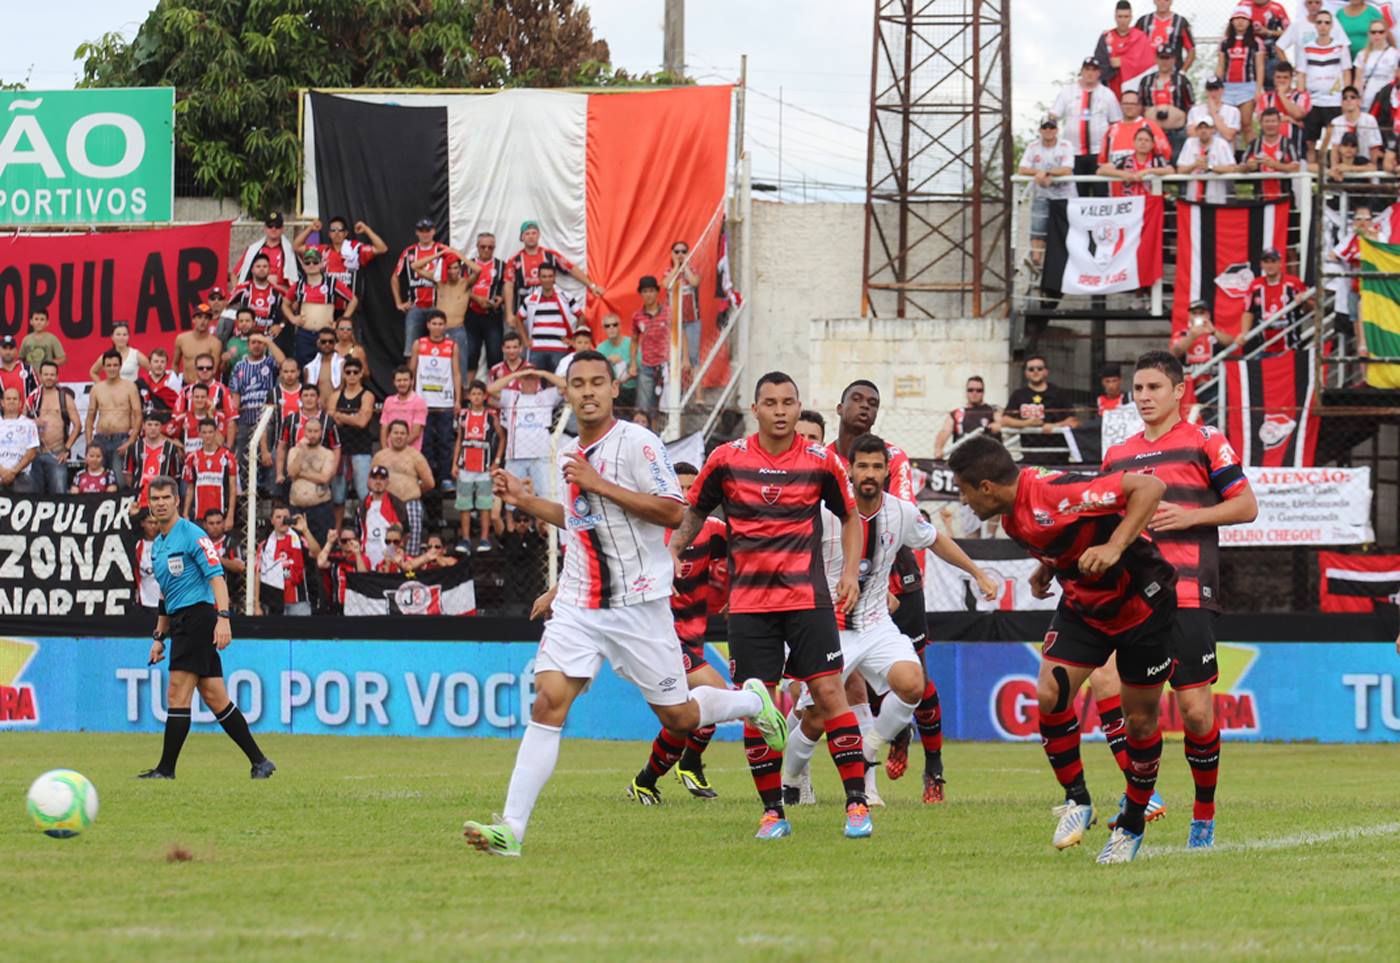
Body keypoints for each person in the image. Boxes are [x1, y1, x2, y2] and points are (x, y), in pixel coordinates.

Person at [463, 350, 785, 858]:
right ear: (566, 394)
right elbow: (583, 522)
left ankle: (750, 702)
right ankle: (511, 830)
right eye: (578, 384)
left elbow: (673, 512)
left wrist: (599, 485)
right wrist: (526, 503)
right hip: (579, 605)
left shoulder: (638, 444)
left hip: (638, 606)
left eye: (598, 382)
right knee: (548, 702)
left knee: (679, 718)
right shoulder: (571, 451)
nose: (588, 391)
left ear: (615, 390)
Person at [948, 436, 1174, 864]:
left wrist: (1114, 547)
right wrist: (1046, 566)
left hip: (1142, 604)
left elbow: (1150, 488)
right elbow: (1064, 535)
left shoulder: (1053, 494)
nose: (964, 502)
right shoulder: (1014, 514)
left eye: (963, 491)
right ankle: (1078, 800)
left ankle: (1132, 824)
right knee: (1050, 694)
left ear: (986, 487)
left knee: (1140, 723)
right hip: (1085, 607)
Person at [672, 371, 872, 841]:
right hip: (748, 606)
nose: (780, 411)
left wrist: (848, 573)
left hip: (808, 599)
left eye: (788, 402)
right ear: (756, 409)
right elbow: (696, 510)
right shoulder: (726, 459)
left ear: (799, 407)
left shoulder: (822, 461)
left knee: (829, 695)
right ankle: (772, 812)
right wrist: (674, 551)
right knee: (757, 707)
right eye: (771, 402)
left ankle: (858, 804)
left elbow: (850, 517)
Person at [782, 434, 996, 808]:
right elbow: (789, 555)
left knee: (913, 684)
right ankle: (790, 780)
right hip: (830, 629)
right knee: (815, 718)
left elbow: (937, 541)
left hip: (876, 623)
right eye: (862, 465)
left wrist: (977, 573)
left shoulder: (900, 512)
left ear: (886, 471)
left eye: (877, 466)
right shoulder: (824, 512)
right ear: (849, 469)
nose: (869, 473)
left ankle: (870, 746)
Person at [1098, 351, 1258, 850]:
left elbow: (1246, 505)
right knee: (1139, 717)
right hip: (1133, 601)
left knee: (1195, 712)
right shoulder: (1117, 454)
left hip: (1188, 592)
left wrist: (1188, 517)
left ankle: (1203, 818)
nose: (1144, 397)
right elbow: (1099, 520)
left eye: (1153, 388)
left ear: (1179, 390)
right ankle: (1136, 813)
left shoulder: (1205, 440)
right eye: (1138, 390)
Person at [138, 476, 274, 780]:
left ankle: (165, 769)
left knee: (177, 694)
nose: (160, 503)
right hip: (180, 621)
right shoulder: (158, 546)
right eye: (155, 498)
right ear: (149, 503)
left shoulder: (192, 535)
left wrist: (223, 617)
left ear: (176, 501)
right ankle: (260, 762)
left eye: (165, 498)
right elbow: (165, 595)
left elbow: (216, 577)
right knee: (215, 698)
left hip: (198, 619)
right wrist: (159, 637)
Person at [487, 367, 564, 501]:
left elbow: (565, 385)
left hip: (541, 457)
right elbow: (491, 389)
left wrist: (542, 373)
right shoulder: (512, 397)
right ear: (520, 381)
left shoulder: (546, 396)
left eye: (533, 379)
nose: (530, 382)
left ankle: (542, 523)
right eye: (526, 379)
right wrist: (517, 374)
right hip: (516, 457)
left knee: (545, 498)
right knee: (513, 499)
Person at [1051, 58, 1124, 196]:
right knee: (1076, 194)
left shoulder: (1107, 94)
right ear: (1082, 71)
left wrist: (1113, 150)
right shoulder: (1067, 91)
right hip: (1073, 153)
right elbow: (1054, 115)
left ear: (1099, 73)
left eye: (1094, 70)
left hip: (1099, 154)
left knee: (1100, 193)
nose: (1090, 73)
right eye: (1087, 69)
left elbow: (1116, 123)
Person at [409, 309, 461, 500]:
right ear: (428, 325)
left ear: (445, 326)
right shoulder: (419, 344)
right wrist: (412, 397)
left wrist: (457, 399)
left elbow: (456, 373)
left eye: (441, 324)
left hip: (445, 402)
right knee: (426, 442)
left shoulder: (451, 346)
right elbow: (412, 371)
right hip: (424, 403)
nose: (437, 327)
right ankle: (427, 476)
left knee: (446, 442)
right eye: (434, 323)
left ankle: (446, 478)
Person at [502, 219, 603, 315]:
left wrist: (592, 286)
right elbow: (508, 286)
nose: (531, 236)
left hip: (549, 306)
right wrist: (509, 313)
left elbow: (571, 269)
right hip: (524, 309)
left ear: (538, 235)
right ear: (522, 237)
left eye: (534, 233)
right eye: (527, 234)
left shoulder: (550, 255)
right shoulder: (514, 260)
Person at [1018, 117, 1077, 273]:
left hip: (1065, 196)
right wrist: (1040, 173)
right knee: (1038, 228)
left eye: (1051, 127)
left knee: (1066, 232)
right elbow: (1022, 169)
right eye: (1045, 127)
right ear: (1040, 130)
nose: (1048, 130)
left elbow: (1067, 169)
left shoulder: (1066, 145)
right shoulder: (1033, 147)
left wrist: (1047, 172)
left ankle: (1065, 264)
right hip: (1042, 195)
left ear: (1057, 130)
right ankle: (1037, 264)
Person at [412, 247, 482, 378]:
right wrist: (438, 255)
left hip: (457, 329)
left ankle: (460, 396)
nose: (452, 271)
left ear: (460, 269)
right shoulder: (439, 281)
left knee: (460, 367)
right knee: (437, 366)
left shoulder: (465, 284)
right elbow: (415, 266)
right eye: (449, 268)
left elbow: (478, 270)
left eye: (455, 268)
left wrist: (459, 255)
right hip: (438, 330)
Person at [451, 380, 503, 553]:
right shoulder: (463, 416)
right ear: (469, 396)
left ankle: (484, 539)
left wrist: (496, 461)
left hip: (484, 468)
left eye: (479, 394)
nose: (476, 397)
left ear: (485, 396)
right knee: (464, 505)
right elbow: (459, 439)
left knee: (484, 505)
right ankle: (465, 539)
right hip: (465, 466)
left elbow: (502, 438)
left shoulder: (490, 416)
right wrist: (454, 463)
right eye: (473, 394)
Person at [284, 248, 358, 367]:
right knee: (304, 367)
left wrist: (341, 322)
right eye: (307, 262)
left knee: (327, 366)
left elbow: (353, 300)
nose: (311, 265)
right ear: (303, 266)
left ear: (322, 264)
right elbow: (285, 304)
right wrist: (292, 318)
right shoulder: (299, 285)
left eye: (315, 262)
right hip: (305, 334)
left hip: (326, 334)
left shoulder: (332, 283)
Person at [370, 421, 435, 555]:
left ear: (407, 436)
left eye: (402, 433)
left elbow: (429, 482)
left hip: (410, 504)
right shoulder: (380, 456)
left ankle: (409, 571)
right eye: (395, 433)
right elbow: (370, 482)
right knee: (386, 542)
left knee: (412, 542)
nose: (399, 436)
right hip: (387, 504)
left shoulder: (416, 456)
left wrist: (414, 491)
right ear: (389, 435)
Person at [1001, 355, 1080, 461]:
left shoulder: (1059, 393)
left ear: (1046, 371)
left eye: (1039, 368)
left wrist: (1053, 426)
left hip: (1058, 454)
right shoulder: (1018, 395)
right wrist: (1027, 423)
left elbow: (1073, 421)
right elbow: (1005, 420)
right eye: (1031, 369)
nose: (1035, 371)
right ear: (1026, 373)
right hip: (1030, 453)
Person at [1300, 8, 1353, 161]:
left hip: (1334, 101)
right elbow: (1302, 74)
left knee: (1336, 142)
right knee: (1310, 143)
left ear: (1331, 26)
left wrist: (1346, 99)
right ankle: (1311, 183)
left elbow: (1346, 73)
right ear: (1315, 25)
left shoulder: (1340, 47)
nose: (1323, 25)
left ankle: (1333, 180)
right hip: (1313, 103)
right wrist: (1301, 100)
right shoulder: (1306, 47)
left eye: (1326, 22)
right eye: (1320, 22)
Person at [292, 216, 387, 299]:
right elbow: (296, 247)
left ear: (346, 233)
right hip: (328, 303)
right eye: (333, 230)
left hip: (350, 306)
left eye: (340, 229)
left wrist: (366, 229)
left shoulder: (355, 249)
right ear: (329, 234)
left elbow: (382, 248)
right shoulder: (323, 250)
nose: (336, 233)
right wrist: (310, 229)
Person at [274, 384, 341, 500]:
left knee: (321, 503)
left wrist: (332, 471)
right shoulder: (290, 420)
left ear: (318, 398)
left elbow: (336, 447)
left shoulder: (328, 421)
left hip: (319, 470)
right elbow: (281, 446)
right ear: (300, 399)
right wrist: (279, 473)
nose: (309, 398)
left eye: (312, 395)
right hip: (296, 468)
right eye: (305, 395)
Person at [1240, 247, 1313, 352]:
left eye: (1273, 261)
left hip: (1291, 348)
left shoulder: (1294, 283)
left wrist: (1304, 299)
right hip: (1263, 349)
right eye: (1266, 262)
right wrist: (1244, 333)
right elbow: (1248, 311)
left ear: (1280, 263)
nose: (1270, 266)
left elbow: (1312, 309)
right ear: (1261, 264)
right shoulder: (1255, 285)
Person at [633, 275, 683, 419]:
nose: (648, 294)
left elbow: (681, 334)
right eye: (645, 291)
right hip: (646, 365)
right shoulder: (637, 316)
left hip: (666, 366)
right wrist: (632, 364)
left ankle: (666, 435)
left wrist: (684, 359)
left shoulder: (668, 312)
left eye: (651, 290)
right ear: (641, 294)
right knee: (643, 406)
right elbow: (635, 340)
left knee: (668, 406)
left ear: (656, 292)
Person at [228, 332, 281, 466]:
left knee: (266, 459)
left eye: (260, 342)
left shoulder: (270, 362)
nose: (256, 346)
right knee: (243, 460)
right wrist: (235, 420)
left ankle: (265, 487)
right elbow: (236, 394)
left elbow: (284, 362)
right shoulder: (239, 366)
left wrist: (269, 342)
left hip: (267, 420)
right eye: (253, 342)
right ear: (248, 345)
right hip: (245, 420)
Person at [26, 361, 79, 495]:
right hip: (35, 454)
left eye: (52, 374)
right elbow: (21, 423)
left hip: (57, 453)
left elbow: (78, 425)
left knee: (59, 495)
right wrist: (32, 422)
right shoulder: (33, 397)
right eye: (46, 374)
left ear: (57, 376)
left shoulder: (64, 398)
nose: (49, 377)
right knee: (35, 497)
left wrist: (67, 449)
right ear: (40, 376)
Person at [515, 263, 579, 374]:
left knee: (559, 382)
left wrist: (573, 339)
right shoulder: (531, 299)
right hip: (537, 349)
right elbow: (518, 318)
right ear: (539, 278)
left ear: (554, 278)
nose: (547, 279)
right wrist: (525, 340)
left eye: (550, 276)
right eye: (544, 276)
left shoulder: (566, 297)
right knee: (536, 384)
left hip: (559, 348)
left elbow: (581, 316)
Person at [86, 350, 142, 474]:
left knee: (120, 479)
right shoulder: (96, 389)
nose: (112, 369)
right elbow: (90, 418)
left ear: (120, 366)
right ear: (104, 367)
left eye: (115, 365)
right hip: (100, 440)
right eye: (109, 365)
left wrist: (131, 440)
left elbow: (138, 416)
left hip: (121, 439)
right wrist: (89, 443)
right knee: (100, 477)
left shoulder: (130, 387)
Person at [255, 506, 319, 616]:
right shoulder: (264, 546)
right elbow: (257, 574)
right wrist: (256, 605)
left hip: (298, 600)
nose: (282, 520)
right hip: (273, 601)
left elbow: (317, 553)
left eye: (286, 517)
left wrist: (305, 530)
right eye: (278, 517)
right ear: (272, 520)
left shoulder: (299, 540)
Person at [331, 358, 376, 507]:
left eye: (355, 372)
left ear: (361, 373)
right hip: (340, 450)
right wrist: (353, 417)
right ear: (343, 374)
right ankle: (336, 530)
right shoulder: (336, 395)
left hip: (361, 450)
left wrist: (342, 416)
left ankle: (366, 528)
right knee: (337, 498)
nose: (351, 375)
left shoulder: (367, 395)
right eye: (348, 372)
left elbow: (362, 422)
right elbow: (331, 417)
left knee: (364, 495)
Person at [1219, 7, 1269, 141]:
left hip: (1247, 87)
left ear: (1249, 22)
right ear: (1232, 22)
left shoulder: (1256, 42)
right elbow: (1221, 66)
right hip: (1227, 87)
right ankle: (1230, 157)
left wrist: (1258, 89)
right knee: (1228, 124)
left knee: (1246, 123)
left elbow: (1260, 67)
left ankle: (1251, 155)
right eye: (1237, 19)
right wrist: (1217, 87)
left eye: (1243, 19)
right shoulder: (1225, 42)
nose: (1240, 22)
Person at [287, 416, 340, 541]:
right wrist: (301, 452)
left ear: (321, 432)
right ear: (304, 432)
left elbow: (325, 478)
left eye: (316, 431)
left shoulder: (327, 454)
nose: (312, 435)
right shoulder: (294, 451)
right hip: (297, 507)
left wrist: (301, 474)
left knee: (321, 545)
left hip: (320, 508)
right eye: (309, 431)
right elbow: (291, 472)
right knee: (297, 545)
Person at [1140, 44, 1196, 157]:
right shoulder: (1146, 81)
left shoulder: (1182, 81)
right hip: (1152, 133)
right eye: (1162, 58)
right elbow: (1141, 105)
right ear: (1156, 59)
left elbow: (1190, 105)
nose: (1164, 62)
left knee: (1177, 164)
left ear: (1174, 59)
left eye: (1168, 58)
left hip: (1177, 133)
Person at [182, 419, 239, 527]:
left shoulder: (228, 457)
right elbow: (190, 488)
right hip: (199, 516)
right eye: (204, 432)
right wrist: (185, 513)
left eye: (210, 432)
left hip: (220, 516)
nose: (207, 436)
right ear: (199, 433)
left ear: (216, 432)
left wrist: (230, 515)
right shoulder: (192, 458)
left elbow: (233, 488)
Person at [466, 232, 509, 376]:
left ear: (494, 247)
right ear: (477, 247)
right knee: (470, 355)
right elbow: (460, 288)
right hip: (471, 314)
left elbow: (508, 287)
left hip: (493, 315)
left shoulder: (502, 265)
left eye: (490, 247)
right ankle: (468, 395)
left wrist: (501, 299)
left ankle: (494, 395)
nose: (486, 250)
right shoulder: (467, 265)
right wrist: (476, 298)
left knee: (495, 355)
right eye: (483, 247)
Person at [1176, 117, 1243, 202]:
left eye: (1206, 127)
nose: (1203, 131)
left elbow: (1232, 168)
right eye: (1200, 128)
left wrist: (1209, 167)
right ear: (1196, 131)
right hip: (1193, 198)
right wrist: (1194, 165)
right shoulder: (1190, 143)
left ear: (1213, 130)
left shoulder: (1221, 143)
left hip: (1216, 198)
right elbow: (1180, 170)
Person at [934, 376, 1000, 460]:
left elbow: (1001, 422)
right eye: (970, 390)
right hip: (963, 458)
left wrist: (997, 425)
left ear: (983, 392)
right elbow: (944, 432)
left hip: (987, 458)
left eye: (979, 390)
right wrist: (938, 449)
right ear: (966, 392)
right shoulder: (957, 413)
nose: (974, 393)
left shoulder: (993, 410)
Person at [125, 410, 184, 505]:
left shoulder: (171, 448)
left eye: (156, 425)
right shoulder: (134, 447)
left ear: (161, 427)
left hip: (162, 499)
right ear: (143, 426)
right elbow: (128, 475)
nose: (153, 428)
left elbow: (174, 476)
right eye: (149, 424)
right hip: (139, 497)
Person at [663, 240, 703, 376]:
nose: (680, 254)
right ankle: (678, 393)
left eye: (683, 251)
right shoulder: (669, 271)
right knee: (675, 356)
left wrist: (685, 265)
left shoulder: (692, 270)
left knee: (693, 357)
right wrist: (676, 267)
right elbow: (666, 284)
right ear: (672, 254)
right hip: (673, 321)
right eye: (677, 251)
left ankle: (697, 395)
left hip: (692, 320)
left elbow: (694, 282)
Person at [1245, 107, 1305, 199]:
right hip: (1260, 199)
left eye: (1273, 121)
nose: (1270, 125)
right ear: (1261, 124)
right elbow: (1240, 166)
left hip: (1284, 199)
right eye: (1267, 121)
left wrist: (1275, 165)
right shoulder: (1254, 144)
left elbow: (1296, 167)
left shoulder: (1288, 143)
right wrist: (1248, 166)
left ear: (1280, 123)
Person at [1256, 61, 1310, 158]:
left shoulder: (1301, 96)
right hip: (1270, 144)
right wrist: (1288, 119)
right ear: (1273, 78)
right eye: (1278, 77)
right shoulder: (1265, 97)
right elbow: (1263, 119)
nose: (1281, 80)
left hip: (1295, 141)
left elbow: (1298, 115)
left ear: (1291, 79)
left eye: (1285, 77)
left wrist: (1281, 95)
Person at [1100, 126, 1175, 194]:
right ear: (1134, 143)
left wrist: (1148, 171)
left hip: (1151, 204)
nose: (1143, 142)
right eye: (1140, 139)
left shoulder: (1157, 159)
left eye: (1147, 140)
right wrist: (1123, 174)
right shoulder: (1125, 159)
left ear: (1152, 145)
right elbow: (1101, 170)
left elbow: (1171, 170)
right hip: (1130, 203)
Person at [360, 465, 409, 569]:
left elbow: (406, 533)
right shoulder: (363, 505)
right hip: (367, 559)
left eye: (382, 478)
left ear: (387, 482)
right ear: (369, 481)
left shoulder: (397, 504)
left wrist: (392, 556)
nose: (378, 482)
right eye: (374, 478)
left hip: (389, 561)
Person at [233, 211, 298, 288]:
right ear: (265, 228)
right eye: (270, 226)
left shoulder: (289, 251)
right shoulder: (253, 250)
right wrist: (237, 291)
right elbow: (234, 273)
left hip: (280, 294)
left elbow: (296, 278)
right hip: (256, 294)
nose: (273, 229)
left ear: (282, 229)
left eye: (277, 226)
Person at [1327, 83, 1385, 163]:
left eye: (1352, 97)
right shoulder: (1336, 122)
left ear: (1359, 101)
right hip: (1343, 164)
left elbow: (1374, 148)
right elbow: (1335, 149)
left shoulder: (1370, 120)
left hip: (1365, 164)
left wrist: (1371, 170)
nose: (1348, 100)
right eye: (1345, 98)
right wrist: (1335, 168)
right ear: (1341, 103)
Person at [168, 383, 230, 458]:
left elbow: (220, 442)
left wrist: (210, 418)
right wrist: (179, 446)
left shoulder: (218, 417)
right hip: (190, 463)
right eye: (197, 397)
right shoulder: (183, 418)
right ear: (192, 398)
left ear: (208, 398)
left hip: (213, 461)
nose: (199, 400)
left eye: (203, 397)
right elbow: (162, 434)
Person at [318, 526, 370, 613]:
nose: (348, 543)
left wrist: (357, 553)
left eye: (351, 540)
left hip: (357, 607)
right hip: (337, 606)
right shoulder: (335, 557)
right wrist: (329, 542)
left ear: (357, 540)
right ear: (339, 542)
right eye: (344, 541)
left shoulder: (362, 558)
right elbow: (320, 563)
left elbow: (364, 578)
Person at [1135, 0, 1196, 70]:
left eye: (1166, 0)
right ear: (1154, 1)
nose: (1162, 2)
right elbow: (1132, 47)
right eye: (1159, 0)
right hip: (1146, 72)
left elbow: (1191, 50)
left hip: (1173, 73)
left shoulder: (1181, 22)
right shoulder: (1143, 21)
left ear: (1171, 1)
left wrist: (1182, 72)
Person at [1351, 15, 1399, 102]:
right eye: (1373, 32)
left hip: (1386, 102)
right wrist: (1356, 99)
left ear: (1386, 33)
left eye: (1381, 32)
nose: (1377, 35)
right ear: (1369, 34)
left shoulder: (1395, 54)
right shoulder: (1361, 54)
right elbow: (1357, 81)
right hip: (1366, 101)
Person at [0, 387, 39, 493]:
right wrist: (2, 472)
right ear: (2, 403)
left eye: (15, 399)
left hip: (21, 476)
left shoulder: (29, 424)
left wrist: (13, 472)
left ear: (20, 403)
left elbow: (31, 452)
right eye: (8, 399)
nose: (11, 401)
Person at [172, 304, 224, 382]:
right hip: (186, 385)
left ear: (210, 321)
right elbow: (175, 364)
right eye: (199, 317)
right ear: (193, 320)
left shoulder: (215, 343)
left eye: (206, 318)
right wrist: (175, 383)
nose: (202, 321)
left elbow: (213, 370)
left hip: (205, 388)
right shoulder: (181, 339)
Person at [381, 366, 427, 451]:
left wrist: (397, 447)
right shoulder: (388, 401)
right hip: (390, 453)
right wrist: (385, 451)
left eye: (405, 380)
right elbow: (384, 429)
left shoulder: (419, 402)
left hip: (410, 454)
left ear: (412, 381)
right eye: (399, 380)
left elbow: (416, 433)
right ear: (394, 382)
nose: (402, 383)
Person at [596, 313, 638, 408]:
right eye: (607, 326)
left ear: (620, 326)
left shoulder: (631, 343)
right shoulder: (600, 348)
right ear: (604, 329)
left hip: (632, 388)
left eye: (615, 324)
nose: (611, 328)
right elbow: (597, 371)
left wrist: (623, 362)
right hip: (610, 391)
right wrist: (607, 361)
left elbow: (639, 368)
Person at [1186, 76, 1243, 144]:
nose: (1213, 93)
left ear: (1222, 90)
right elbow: (1191, 134)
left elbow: (1229, 136)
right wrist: (1216, 127)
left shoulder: (1233, 111)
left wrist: (1214, 114)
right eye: (1210, 90)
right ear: (1206, 91)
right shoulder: (1195, 111)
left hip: (1223, 152)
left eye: (1216, 90)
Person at [200, 509, 245, 580]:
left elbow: (240, 567)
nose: (215, 526)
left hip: (228, 587)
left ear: (223, 523)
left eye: (218, 523)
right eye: (211, 523)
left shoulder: (231, 542)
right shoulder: (200, 543)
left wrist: (218, 559)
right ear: (205, 525)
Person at [303, 329, 344, 402]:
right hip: (317, 408)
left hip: (337, 406)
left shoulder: (342, 364)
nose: (327, 344)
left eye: (330, 341)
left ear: (335, 343)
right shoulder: (309, 368)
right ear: (318, 343)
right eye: (323, 342)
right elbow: (308, 391)